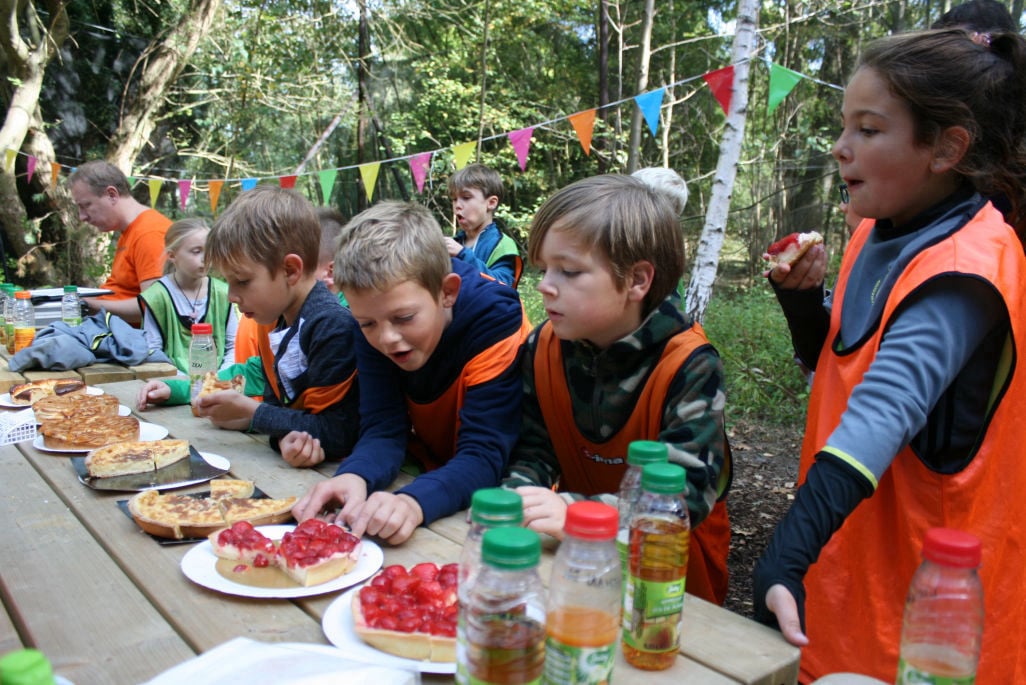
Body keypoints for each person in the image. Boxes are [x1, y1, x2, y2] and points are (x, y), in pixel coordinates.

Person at [753, 29, 1026, 683]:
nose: (841, 147)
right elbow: (844, 367)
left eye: (868, 129)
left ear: (946, 148)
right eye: (845, 124)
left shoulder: (965, 270)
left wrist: (785, 551)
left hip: (929, 617)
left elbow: (883, 412)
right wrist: (803, 302)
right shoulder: (879, 229)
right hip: (851, 573)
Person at [501, 174, 732, 605]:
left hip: (670, 586)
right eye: (544, 269)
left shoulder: (689, 365)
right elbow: (534, 451)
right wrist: (515, 500)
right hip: (577, 570)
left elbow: (686, 495)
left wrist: (575, 511)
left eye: (569, 271)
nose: (545, 285)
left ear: (637, 281)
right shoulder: (542, 347)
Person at [291, 200, 531, 545]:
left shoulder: (495, 319)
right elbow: (384, 428)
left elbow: (485, 454)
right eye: (367, 324)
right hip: (443, 471)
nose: (386, 339)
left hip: (509, 507)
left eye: (404, 319)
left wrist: (414, 501)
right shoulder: (375, 320)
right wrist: (356, 476)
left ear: (447, 292)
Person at [191, 186, 360, 465]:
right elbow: (281, 413)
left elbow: (338, 433)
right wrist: (257, 424)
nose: (232, 295)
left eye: (242, 281)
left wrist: (254, 414)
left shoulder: (331, 327)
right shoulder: (276, 321)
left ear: (290, 270)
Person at [69, 161, 171, 325]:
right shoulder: (131, 230)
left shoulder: (149, 233)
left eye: (86, 205)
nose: (82, 217)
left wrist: (89, 306)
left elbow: (154, 307)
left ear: (112, 194)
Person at [138, 218, 237, 374]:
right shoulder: (157, 296)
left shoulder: (223, 293)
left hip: (219, 383)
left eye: (209, 251)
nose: (206, 258)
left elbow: (234, 346)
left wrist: (220, 378)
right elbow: (153, 351)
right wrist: (185, 383)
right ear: (172, 255)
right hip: (172, 384)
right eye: (196, 251)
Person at [443, 163, 523, 288]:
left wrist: (463, 255)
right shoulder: (456, 242)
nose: (457, 205)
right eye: (454, 199)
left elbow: (503, 286)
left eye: (466, 197)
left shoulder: (502, 245)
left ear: (491, 203)